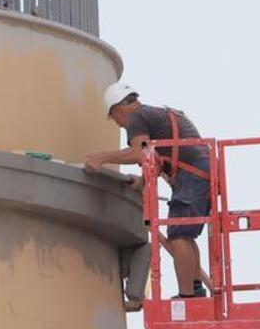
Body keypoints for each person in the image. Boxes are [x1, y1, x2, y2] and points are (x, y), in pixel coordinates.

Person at [85, 83, 212, 299]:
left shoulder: (137, 117)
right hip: (201, 175)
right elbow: (152, 159)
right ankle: (195, 289)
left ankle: (187, 297)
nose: (119, 125)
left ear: (118, 109)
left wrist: (102, 157)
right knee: (185, 235)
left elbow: (139, 153)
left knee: (179, 237)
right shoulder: (154, 115)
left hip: (192, 177)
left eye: (115, 120)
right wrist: (143, 183)